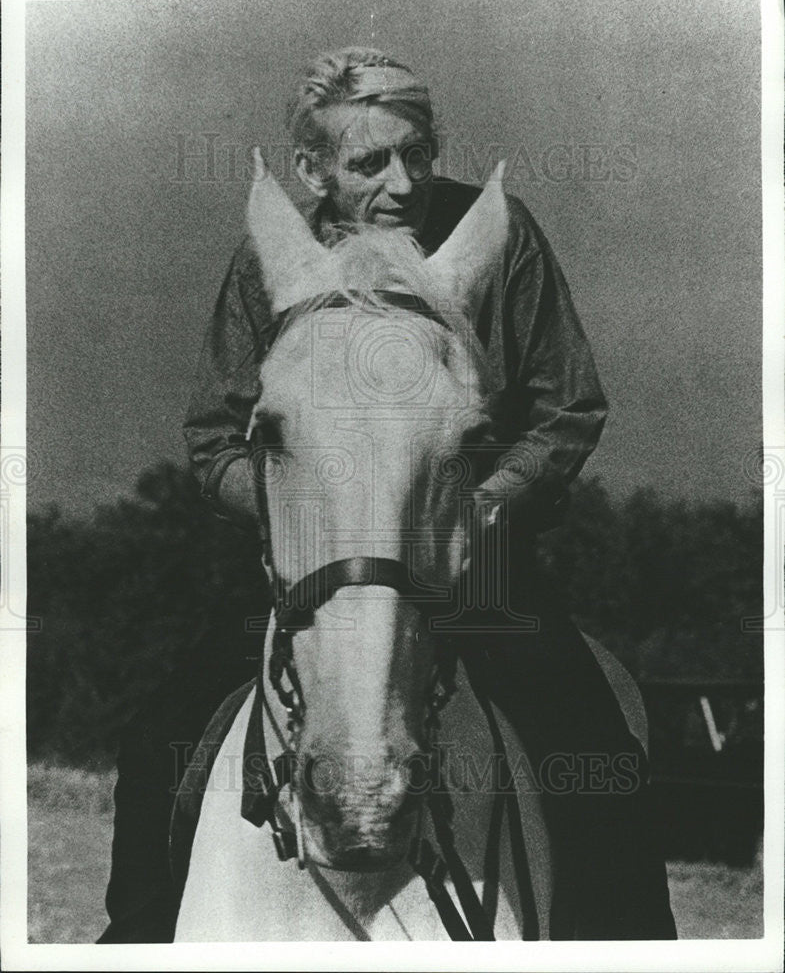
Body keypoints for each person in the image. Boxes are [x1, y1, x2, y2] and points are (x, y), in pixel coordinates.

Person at [99, 46, 676, 942]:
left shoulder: (499, 234)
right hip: (309, 568)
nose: (402, 182)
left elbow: (567, 409)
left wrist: (482, 503)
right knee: (157, 742)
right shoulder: (269, 260)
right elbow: (214, 436)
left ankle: (633, 948)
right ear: (311, 168)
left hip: (475, 563)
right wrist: (303, 506)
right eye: (370, 161)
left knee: (587, 748)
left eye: (418, 152)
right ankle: (131, 946)